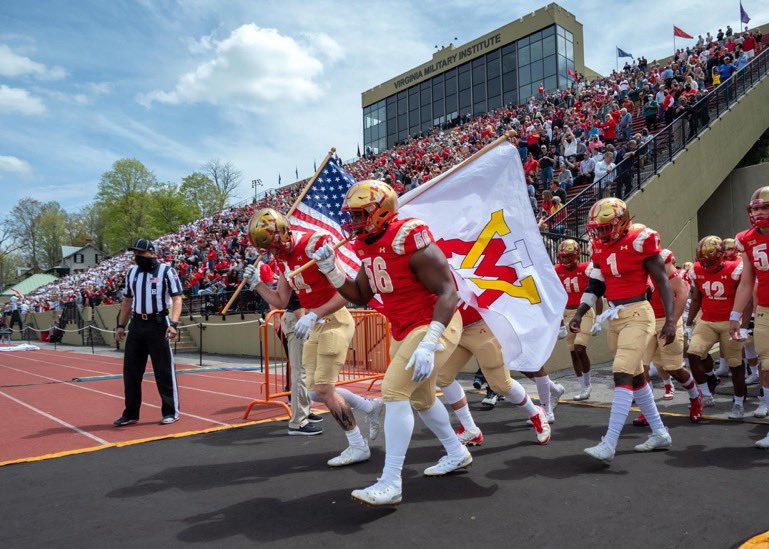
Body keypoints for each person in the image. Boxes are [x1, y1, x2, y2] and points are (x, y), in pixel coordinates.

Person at [313, 179, 467, 506]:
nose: (353, 222)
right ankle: (457, 451)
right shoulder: (367, 244)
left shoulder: (408, 235)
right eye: (351, 215)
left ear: (381, 211)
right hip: (403, 328)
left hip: (433, 324)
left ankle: (390, 481)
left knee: (394, 392)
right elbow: (361, 295)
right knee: (422, 398)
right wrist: (331, 271)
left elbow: (448, 291)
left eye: (360, 214)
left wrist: (431, 341)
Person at [243, 208, 383, 458]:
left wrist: (314, 312)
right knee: (312, 391)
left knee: (325, 389)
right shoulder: (282, 258)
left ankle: (357, 445)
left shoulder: (314, 243)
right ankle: (368, 407)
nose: (274, 253)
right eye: (270, 250)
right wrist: (258, 285)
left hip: (334, 320)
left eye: (275, 246)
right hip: (315, 323)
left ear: (284, 232)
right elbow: (282, 299)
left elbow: (347, 293)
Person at [569, 198, 674, 464]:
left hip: (638, 313)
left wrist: (671, 319)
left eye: (606, 227)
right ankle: (660, 432)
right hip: (615, 316)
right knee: (636, 377)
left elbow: (661, 279)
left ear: (622, 221)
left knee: (621, 374)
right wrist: (580, 313)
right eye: (598, 228)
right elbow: (595, 284)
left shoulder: (641, 239)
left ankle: (610, 442)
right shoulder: (598, 247)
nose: (601, 233)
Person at [435, 303, 552, 447]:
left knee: (501, 385)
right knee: (442, 376)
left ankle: (535, 413)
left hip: (481, 326)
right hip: (454, 329)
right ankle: (470, 429)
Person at [114, 239, 184, 426]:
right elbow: (127, 300)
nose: (137, 257)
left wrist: (174, 323)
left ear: (152, 253)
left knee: (163, 370)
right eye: (135, 253)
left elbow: (177, 298)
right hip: (137, 324)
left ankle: (171, 411)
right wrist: (121, 325)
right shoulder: (132, 272)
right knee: (131, 371)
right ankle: (131, 413)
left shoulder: (167, 271)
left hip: (158, 323)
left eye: (141, 253)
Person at [632, 248, 702, 425]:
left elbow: (682, 298)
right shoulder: (650, 275)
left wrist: (672, 323)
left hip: (669, 320)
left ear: (671, 262)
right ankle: (648, 410)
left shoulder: (677, 277)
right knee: (641, 368)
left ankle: (695, 397)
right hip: (649, 321)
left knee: (673, 368)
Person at [686, 236, 748, 417]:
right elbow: (697, 297)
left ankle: (738, 403)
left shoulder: (735, 268)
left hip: (730, 321)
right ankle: (706, 392)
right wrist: (689, 323)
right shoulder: (697, 269)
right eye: (704, 260)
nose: (707, 264)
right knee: (693, 353)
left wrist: (742, 324)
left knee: (735, 364)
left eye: (711, 260)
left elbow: (747, 295)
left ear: (721, 255)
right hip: (707, 320)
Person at [731, 187, 769, 447]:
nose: (759, 213)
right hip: (765, 309)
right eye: (755, 208)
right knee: (767, 367)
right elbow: (746, 281)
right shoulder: (746, 238)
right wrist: (735, 315)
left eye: (765, 207)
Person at [554, 239, 596, 401]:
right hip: (566, 314)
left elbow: (597, 293)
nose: (565, 260)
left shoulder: (586, 269)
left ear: (577, 255)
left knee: (579, 348)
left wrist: (598, 317)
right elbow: (554, 296)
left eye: (569, 256)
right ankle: (583, 385)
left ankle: (588, 384)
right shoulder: (556, 270)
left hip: (583, 312)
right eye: (563, 257)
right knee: (573, 352)